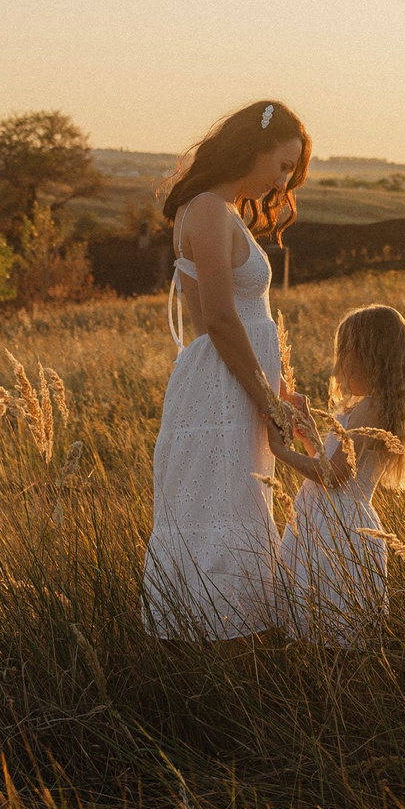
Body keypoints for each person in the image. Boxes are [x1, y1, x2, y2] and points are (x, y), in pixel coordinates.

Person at [140, 100, 311, 640]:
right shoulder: (210, 210)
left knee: (236, 511)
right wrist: (265, 396)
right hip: (224, 391)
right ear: (254, 149)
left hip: (239, 387)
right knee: (222, 515)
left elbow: (250, 321)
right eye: (283, 165)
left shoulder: (223, 210)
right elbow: (218, 317)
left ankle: (232, 669)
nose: (285, 182)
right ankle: (222, 670)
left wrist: (282, 391)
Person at [273, 304, 405, 647]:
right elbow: (332, 463)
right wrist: (309, 434)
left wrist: (281, 452)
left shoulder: (372, 406)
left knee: (332, 635)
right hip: (331, 521)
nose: (339, 365)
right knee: (319, 632)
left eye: (346, 353)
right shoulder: (366, 406)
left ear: (370, 357)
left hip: (339, 530)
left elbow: (336, 475)